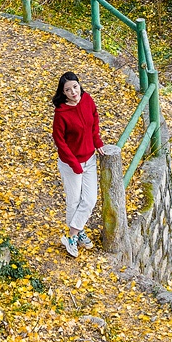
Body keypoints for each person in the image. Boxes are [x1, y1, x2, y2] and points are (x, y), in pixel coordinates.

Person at [51, 70, 102, 257]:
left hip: (90, 159)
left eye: (75, 86)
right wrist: (74, 163)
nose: (73, 91)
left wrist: (97, 142)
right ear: (63, 93)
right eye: (68, 89)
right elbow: (59, 140)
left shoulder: (87, 100)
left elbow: (94, 120)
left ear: (79, 85)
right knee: (74, 200)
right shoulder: (61, 113)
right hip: (70, 164)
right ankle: (75, 235)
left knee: (90, 199)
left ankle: (74, 232)